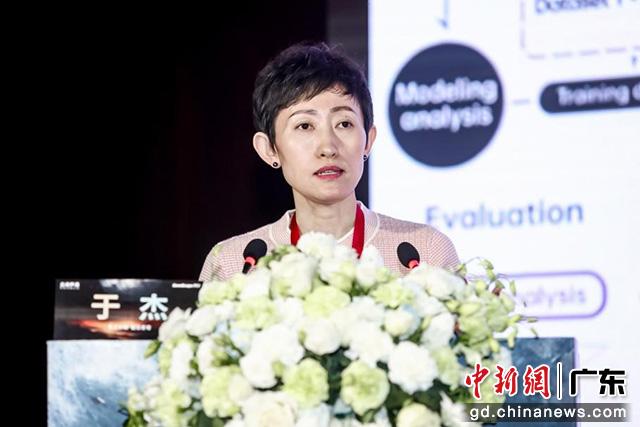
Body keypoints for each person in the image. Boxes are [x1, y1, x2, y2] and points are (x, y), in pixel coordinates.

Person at [199, 42, 458, 282]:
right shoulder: (235, 263)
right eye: (304, 126)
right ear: (269, 150)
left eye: (344, 124)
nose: (328, 148)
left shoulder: (423, 253)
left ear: (368, 141)